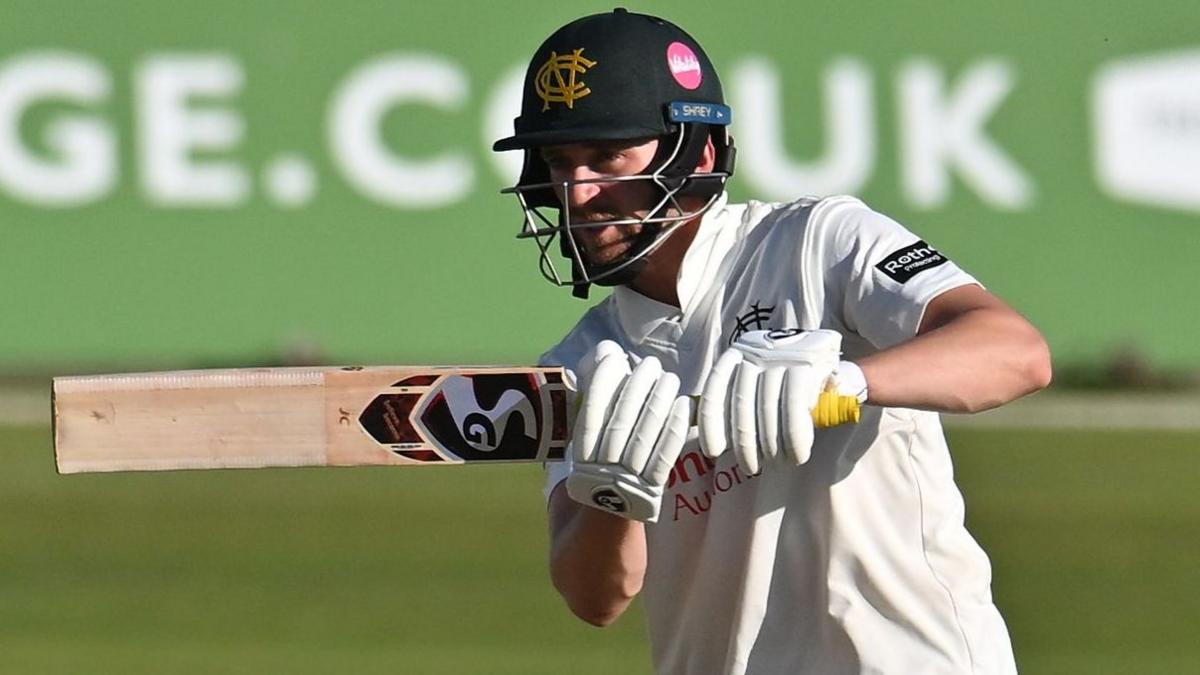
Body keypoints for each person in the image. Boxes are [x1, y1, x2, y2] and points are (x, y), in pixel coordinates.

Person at [492, 9, 1051, 675]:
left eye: (608, 156)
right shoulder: (582, 363)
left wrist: (847, 383)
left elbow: (1016, 352)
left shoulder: (818, 242)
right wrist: (611, 492)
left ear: (696, 152)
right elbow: (596, 597)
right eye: (560, 162)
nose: (578, 192)